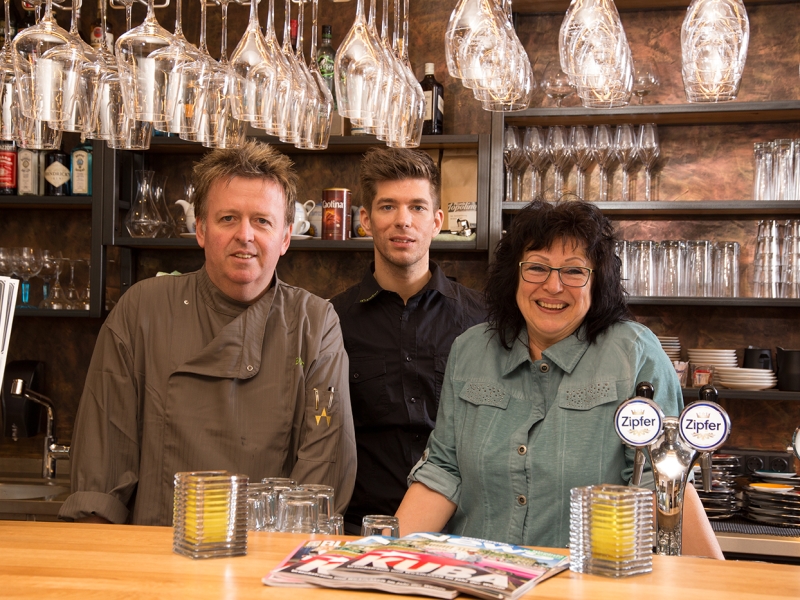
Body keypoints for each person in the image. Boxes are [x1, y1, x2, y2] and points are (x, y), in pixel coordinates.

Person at [396, 199, 724, 559]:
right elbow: (444, 472)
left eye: (573, 271)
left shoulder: (635, 354)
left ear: (598, 281)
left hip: (589, 587)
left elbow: (663, 482)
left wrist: (713, 582)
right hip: (479, 578)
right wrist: (381, 557)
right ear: (514, 275)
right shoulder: (470, 349)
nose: (553, 286)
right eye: (536, 268)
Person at [59, 141, 356, 526]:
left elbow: (323, 468)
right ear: (199, 229)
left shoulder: (315, 324)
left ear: (285, 238)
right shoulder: (142, 310)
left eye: (262, 221)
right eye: (228, 218)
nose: (245, 235)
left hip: (265, 569)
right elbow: (100, 473)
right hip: (153, 566)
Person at [331, 148, 486, 534]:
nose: (403, 221)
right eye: (387, 207)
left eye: (417, 207)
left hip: (463, 530)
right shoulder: (330, 321)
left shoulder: (483, 320)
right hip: (359, 530)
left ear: (437, 221)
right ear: (365, 220)